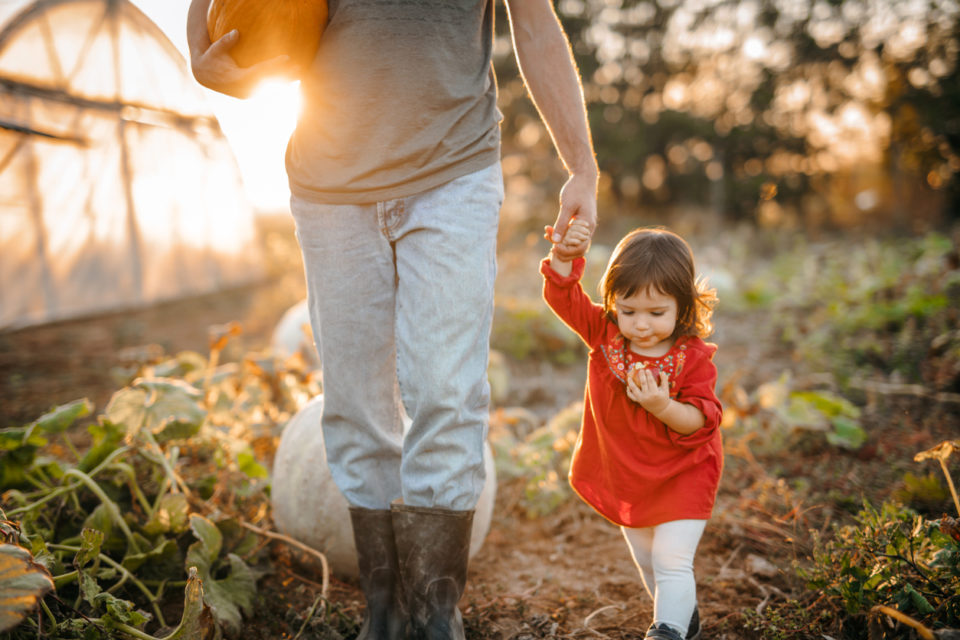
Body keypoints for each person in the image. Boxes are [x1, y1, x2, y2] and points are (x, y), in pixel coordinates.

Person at [186, 2, 599, 639]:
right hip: (329, 183)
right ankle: (383, 611)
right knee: (354, 399)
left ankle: (435, 611)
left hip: (454, 169)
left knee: (447, 391)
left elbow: (535, 21)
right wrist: (197, 48)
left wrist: (582, 165)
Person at [541, 222, 722, 640]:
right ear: (613, 304)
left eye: (656, 313)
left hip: (684, 471)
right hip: (629, 473)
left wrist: (661, 405)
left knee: (671, 558)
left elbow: (701, 421)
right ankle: (682, 619)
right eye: (629, 310)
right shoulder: (604, 337)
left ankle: (667, 631)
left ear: (683, 306)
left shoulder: (691, 357)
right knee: (647, 559)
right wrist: (564, 257)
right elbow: (562, 296)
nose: (641, 325)